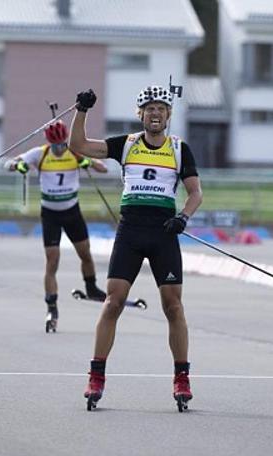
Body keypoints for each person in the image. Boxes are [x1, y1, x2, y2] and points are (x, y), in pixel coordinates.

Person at [69, 85, 203, 410]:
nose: (155, 113)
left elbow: (195, 194)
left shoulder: (179, 148)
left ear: (168, 115)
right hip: (130, 231)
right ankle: (96, 376)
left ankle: (181, 378)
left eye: (161, 109)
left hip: (163, 233)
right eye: (149, 108)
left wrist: (183, 218)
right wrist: (81, 110)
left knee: (173, 307)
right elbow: (78, 145)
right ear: (140, 114)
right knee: (113, 301)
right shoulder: (126, 144)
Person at [4, 119, 108, 332]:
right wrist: (19, 165)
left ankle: (91, 287)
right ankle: (51, 306)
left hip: (72, 212)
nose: (60, 149)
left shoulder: (74, 152)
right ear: (49, 142)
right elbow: (7, 164)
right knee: (52, 261)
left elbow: (103, 169)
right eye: (56, 145)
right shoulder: (40, 154)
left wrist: (88, 163)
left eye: (62, 144)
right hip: (50, 214)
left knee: (85, 254)